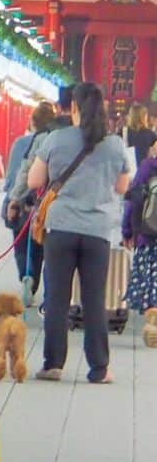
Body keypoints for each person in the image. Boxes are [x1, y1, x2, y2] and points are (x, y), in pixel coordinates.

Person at [26, 82, 132, 384]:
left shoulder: (56, 139)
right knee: (94, 299)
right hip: (98, 231)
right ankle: (99, 368)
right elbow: (122, 187)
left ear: (74, 107)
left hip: (60, 228)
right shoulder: (114, 145)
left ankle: (53, 364)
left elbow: (35, 180)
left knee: (57, 297)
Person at [3, 101, 57, 303]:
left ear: (33, 121)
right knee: (38, 246)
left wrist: (12, 198)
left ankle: (26, 275)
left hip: (23, 200)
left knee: (20, 244)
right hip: (44, 202)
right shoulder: (53, 139)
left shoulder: (20, 142)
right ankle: (36, 280)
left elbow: (15, 174)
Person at [121, 139, 157, 347]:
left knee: (151, 285)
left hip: (148, 234)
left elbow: (133, 199)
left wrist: (127, 230)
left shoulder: (147, 167)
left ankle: (152, 321)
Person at [123, 102, 156, 169]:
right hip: (144, 171)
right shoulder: (150, 134)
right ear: (144, 117)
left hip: (127, 171)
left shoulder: (123, 131)